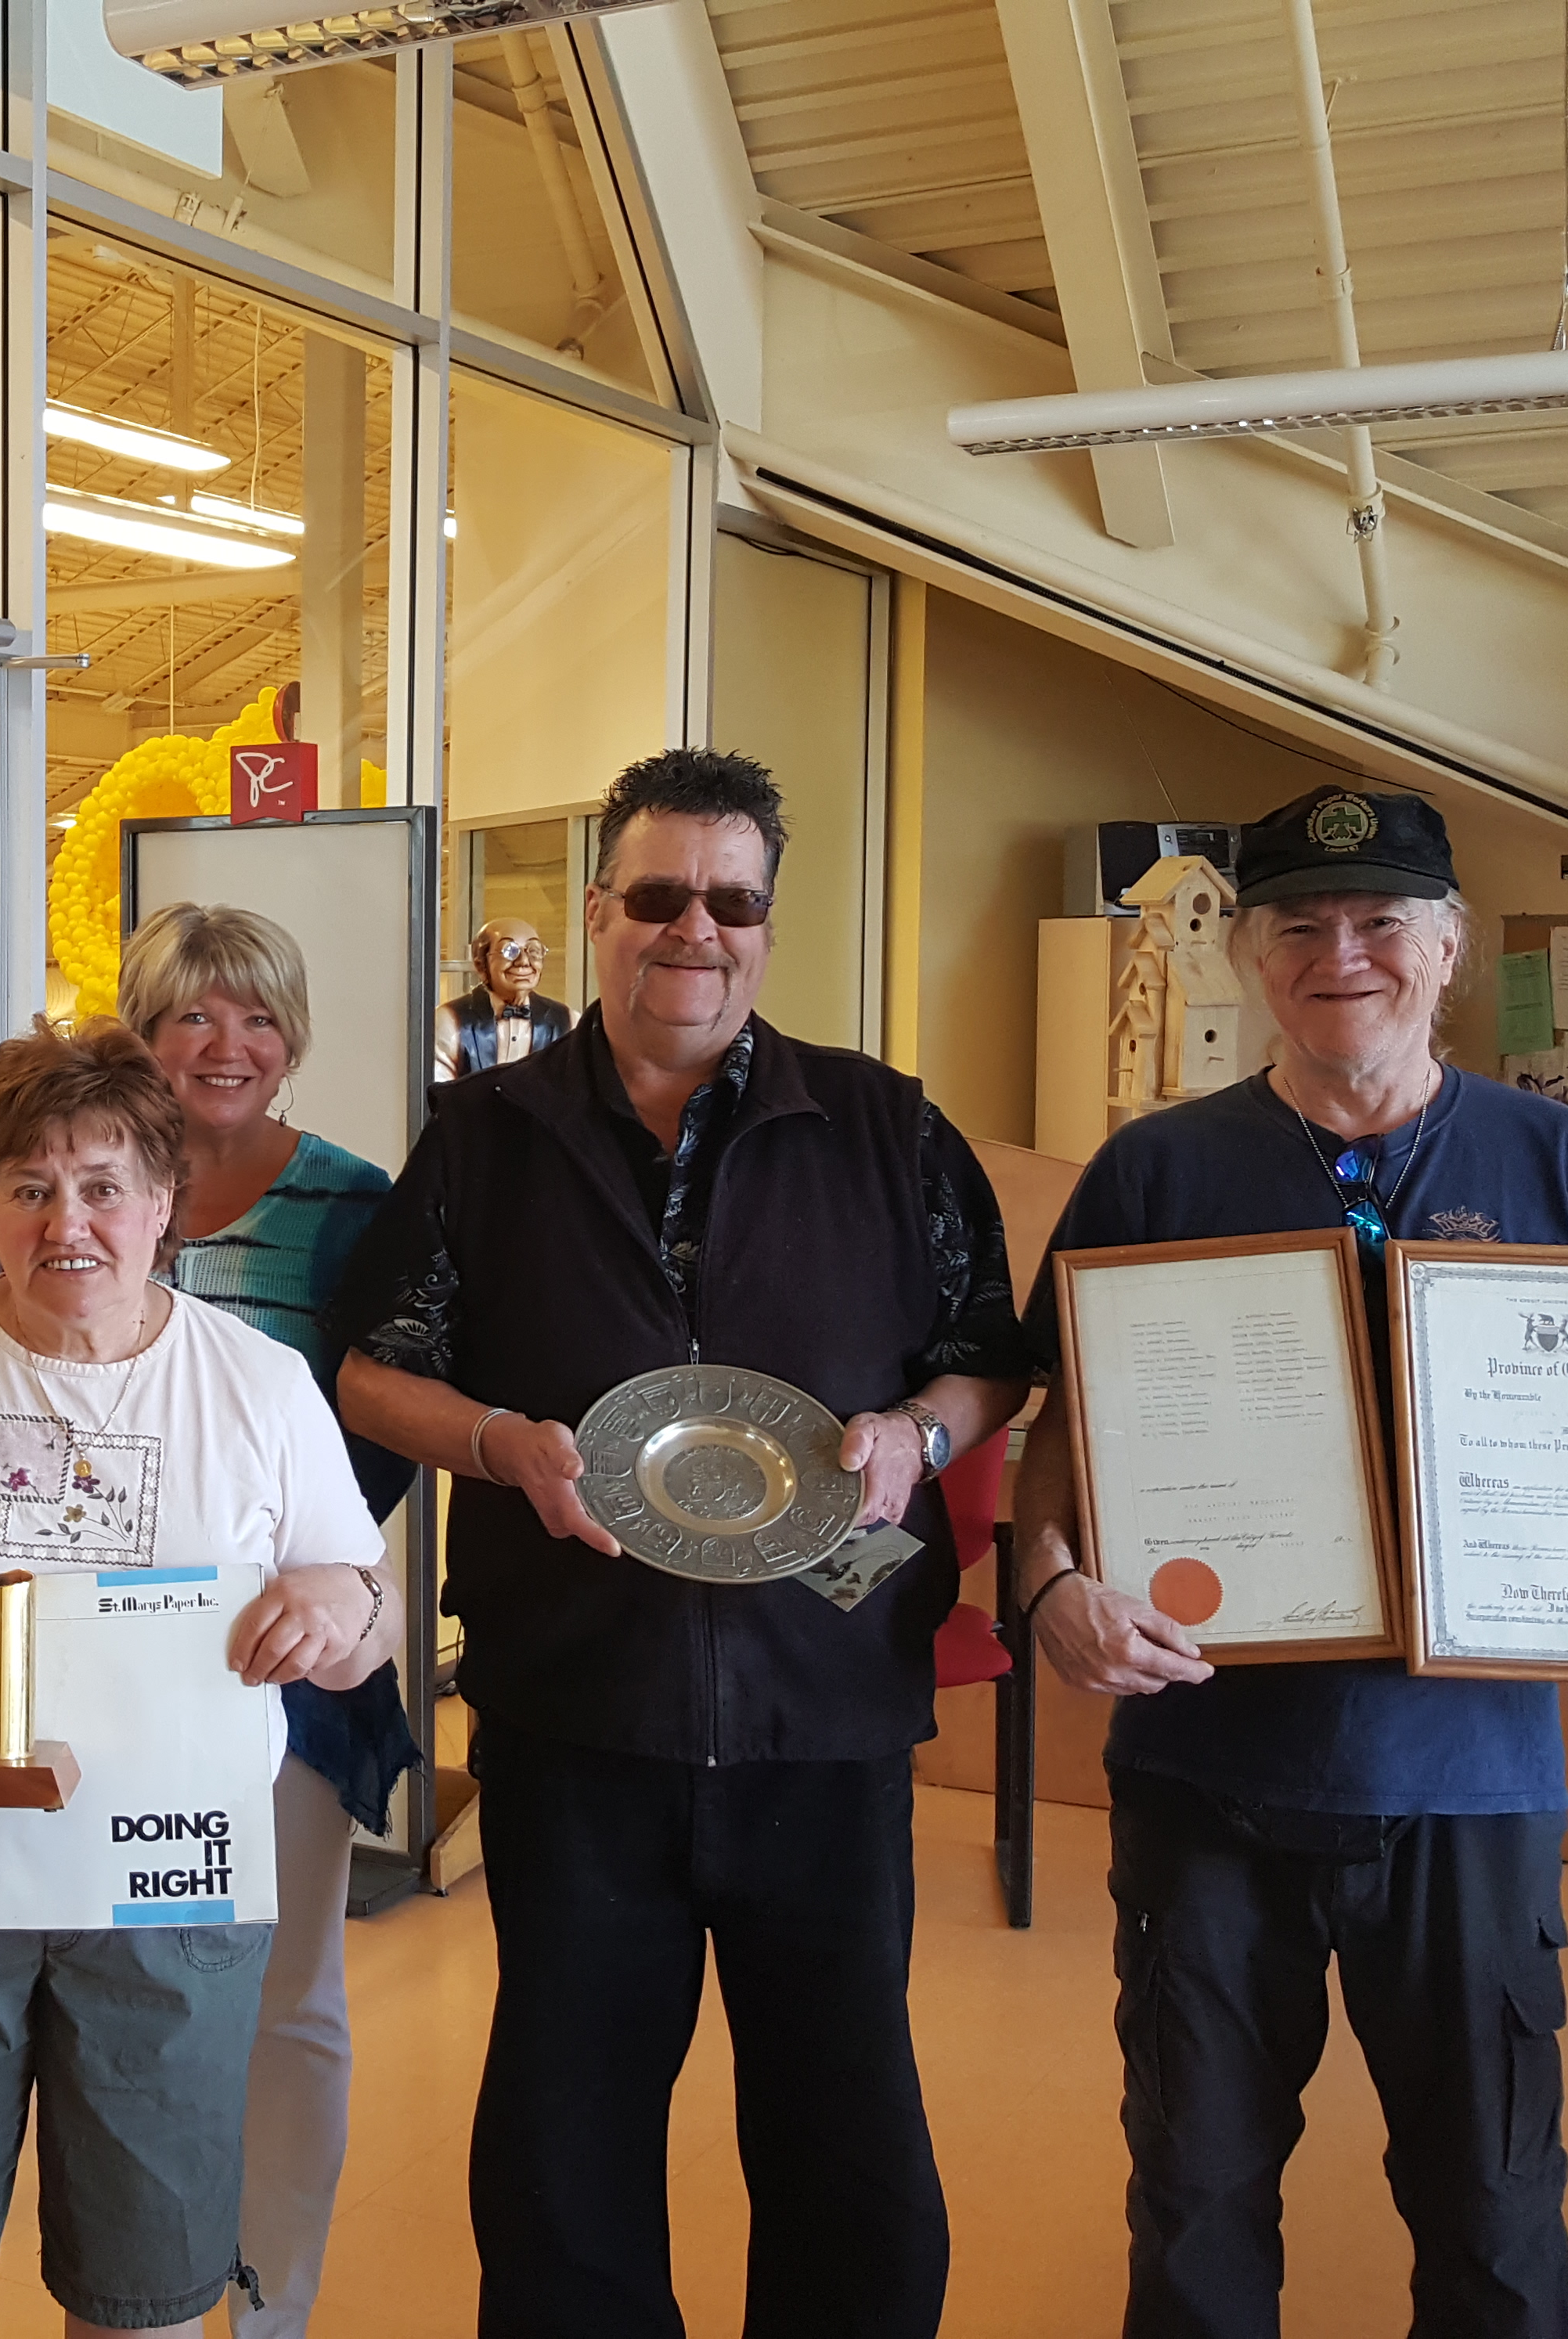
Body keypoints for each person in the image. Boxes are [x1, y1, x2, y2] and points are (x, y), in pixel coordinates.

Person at [1009, 784, 1568, 2339]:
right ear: (1248, 958)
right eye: (1298, 925)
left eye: (1379, 922)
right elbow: (1060, 1432)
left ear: (1447, 947)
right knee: (1196, 2201)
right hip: (1209, 1780)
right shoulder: (1154, 1172)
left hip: (1471, 1788)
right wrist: (1044, 1588)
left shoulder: (1560, 1163)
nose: (1339, 954)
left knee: (1493, 2211)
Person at [331, 746, 1031, 2339]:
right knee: (565, 2149)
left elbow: (991, 1352)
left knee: (843, 2134)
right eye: (657, 897)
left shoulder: (885, 1129)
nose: (691, 931)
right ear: (596, 914)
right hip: (579, 1716)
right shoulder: (486, 1135)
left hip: (825, 1717)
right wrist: (499, 1446)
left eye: (729, 902)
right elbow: (377, 1365)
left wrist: (915, 1433)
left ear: (766, 926)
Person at [0, 1022, 397, 2339]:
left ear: (167, 1202)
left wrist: (341, 1603)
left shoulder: (259, 1386)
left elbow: (364, 1609)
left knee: (146, 2290)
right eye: (30, 1187)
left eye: (103, 1186)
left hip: (167, 1888)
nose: (68, 1223)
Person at [114, 903, 419, 2339]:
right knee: (133, 1989)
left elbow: (389, 1421)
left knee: (288, 1997)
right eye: (187, 1014)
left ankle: (271, 2302)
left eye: (251, 1016)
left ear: (290, 1036)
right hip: (112, 1670)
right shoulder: (90, 1179)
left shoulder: (357, 1205)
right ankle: (149, 2281)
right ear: (141, 1033)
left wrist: (309, 1570)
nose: (221, 1044)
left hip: (292, 1659)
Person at [431, 917, 569, 1082]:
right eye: (509, 951)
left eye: (533, 951)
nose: (524, 962)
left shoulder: (568, 1021)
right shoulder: (449, 1021)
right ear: (480, 965)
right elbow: (439, 1095)